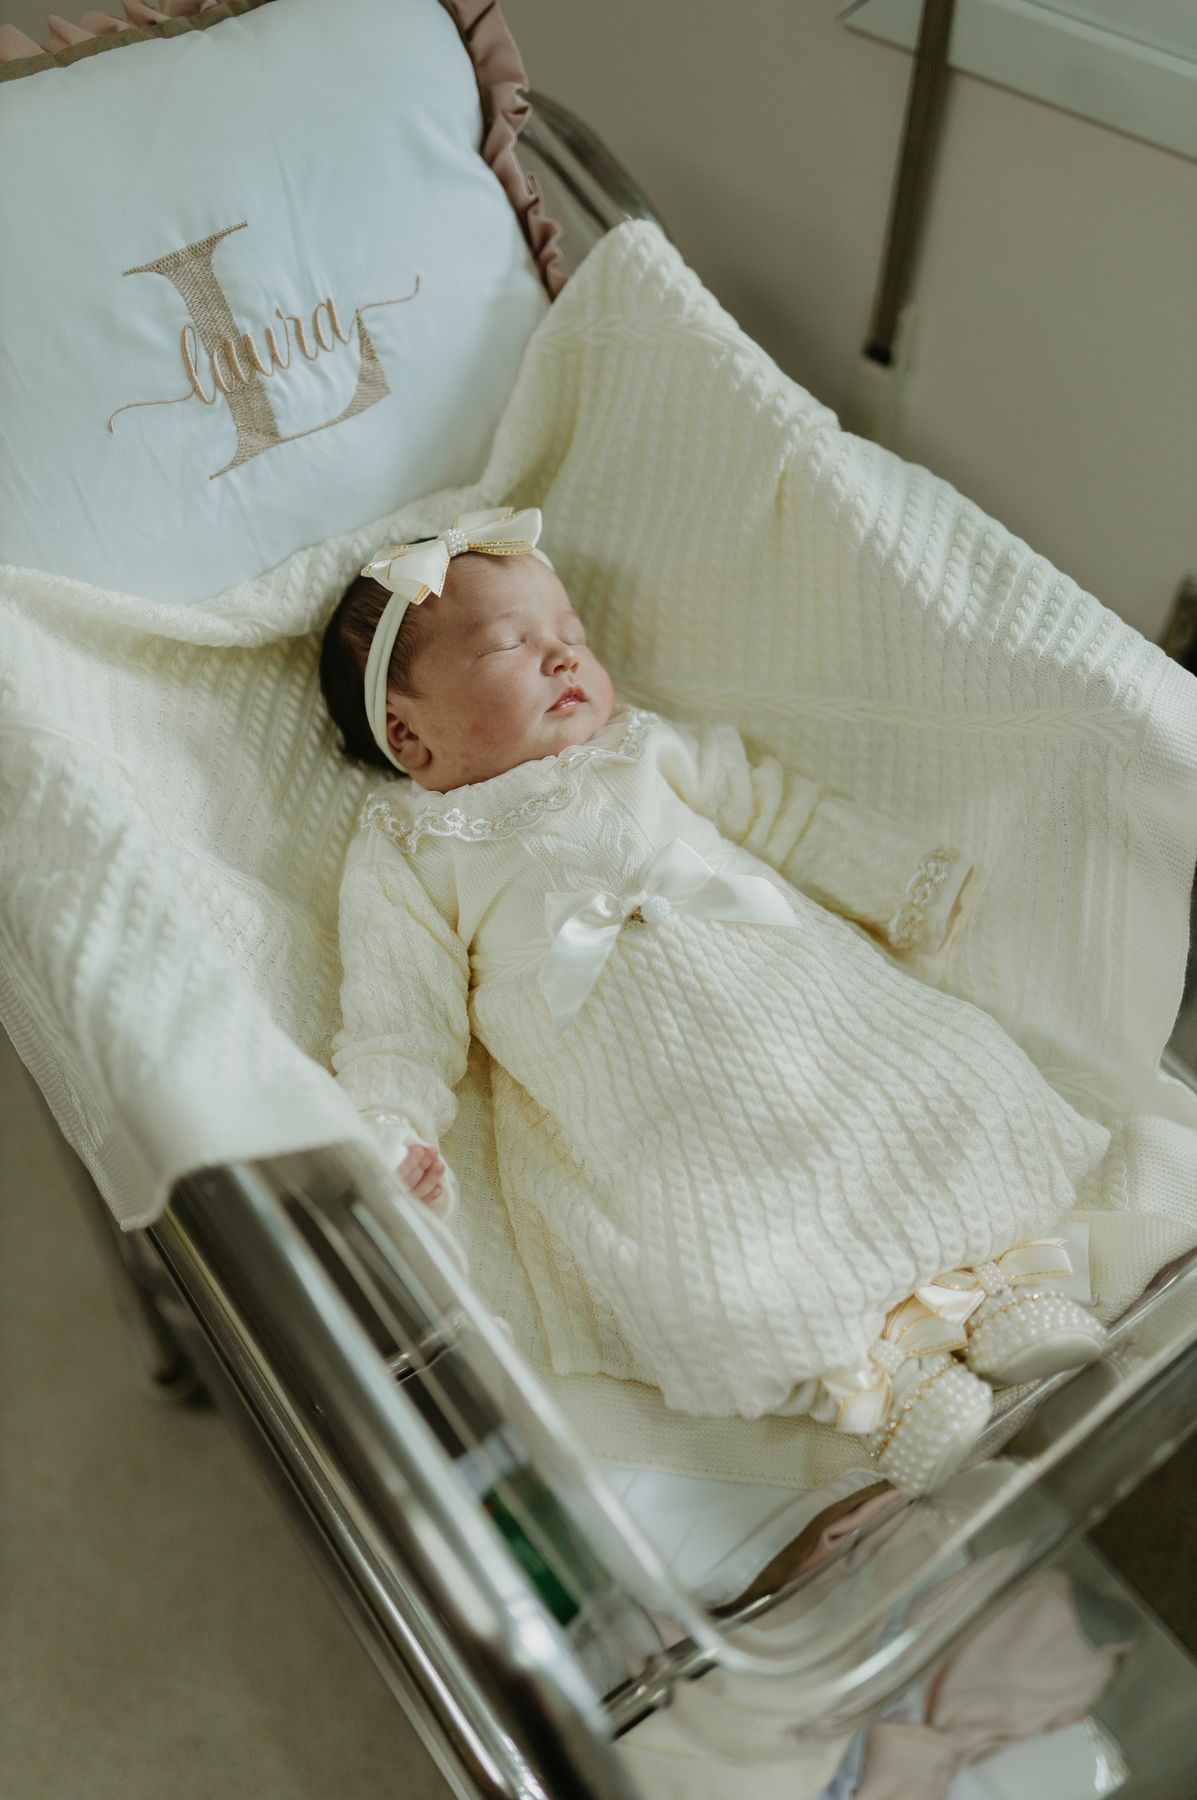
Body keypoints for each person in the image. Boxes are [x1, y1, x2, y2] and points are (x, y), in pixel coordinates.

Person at [319, 507, 1110, 1492]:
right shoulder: (412, 846)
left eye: (572, 635)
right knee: (710, 1255)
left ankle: (1000, 1286)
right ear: (408, 733)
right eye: (511, 645)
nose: (565, 656)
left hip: (809, 1005)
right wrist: (390, 1125)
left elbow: (778, 813)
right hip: (652, 1102)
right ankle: (883, 1379)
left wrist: (900, 879)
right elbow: (399, 1011)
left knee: (942, 1081)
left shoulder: (642, 748)